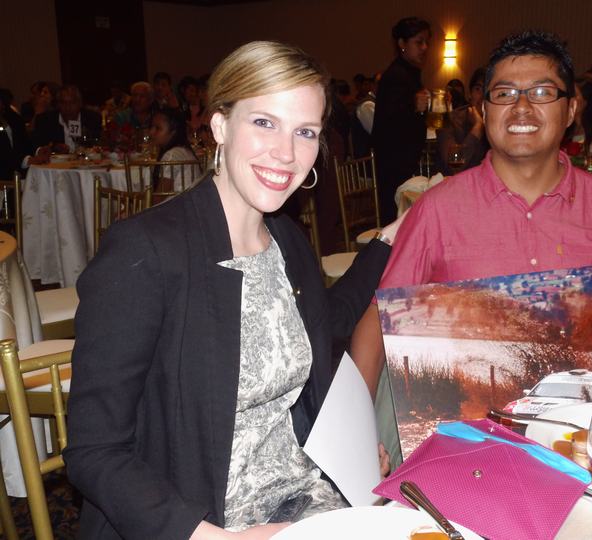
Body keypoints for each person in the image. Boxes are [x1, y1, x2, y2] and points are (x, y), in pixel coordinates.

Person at [63, 40, 404, 540]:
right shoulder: (145, 252)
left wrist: (387, 241)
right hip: (198, 520)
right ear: (220, 125)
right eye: (264, 122)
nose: (286, 153)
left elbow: (324, 326)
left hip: (300, 492)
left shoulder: (285, 238)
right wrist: (214, 538)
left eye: (305, 131)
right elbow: (94, 451)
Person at [350, 30, 592, 467]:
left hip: (585, 452)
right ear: (483, 109)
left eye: (542, 92)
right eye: (504, 93)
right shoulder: (437, 210)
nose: (522, 106)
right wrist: (356, 432)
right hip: (462, 452)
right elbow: (378, 322)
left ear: (571, 109)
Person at [372, 16, 431, 224]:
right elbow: (389, 124)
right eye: (418, 42)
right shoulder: (397, 75)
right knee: (397, 219)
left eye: (426, 42)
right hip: (395, 163)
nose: (424, 48)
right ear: (402, 44)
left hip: (402, 160)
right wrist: (414, 106)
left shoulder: (409, 73)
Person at [435, 67, 490, 175]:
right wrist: (477, 128)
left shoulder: (499, 122)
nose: (482, 96)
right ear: (469, 94)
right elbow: (454, 167)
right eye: (478, 89)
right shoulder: (451, 120)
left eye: (488, 90)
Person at [31, 84, 101, 151]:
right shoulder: (46, 121)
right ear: (58, 104)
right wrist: (54, 147)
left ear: (80, 103)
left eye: (72, 103)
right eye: (63, 103)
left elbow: (97, 144)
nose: (68, 107)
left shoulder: (92, 119)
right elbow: (38, 146)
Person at [149, 107, 201, 193]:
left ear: (173, 131)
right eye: (151, 127)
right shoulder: (182, 150)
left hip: (182, 201)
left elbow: (160, 196)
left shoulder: (173, 155)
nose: (151, 132)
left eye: (158, 128)